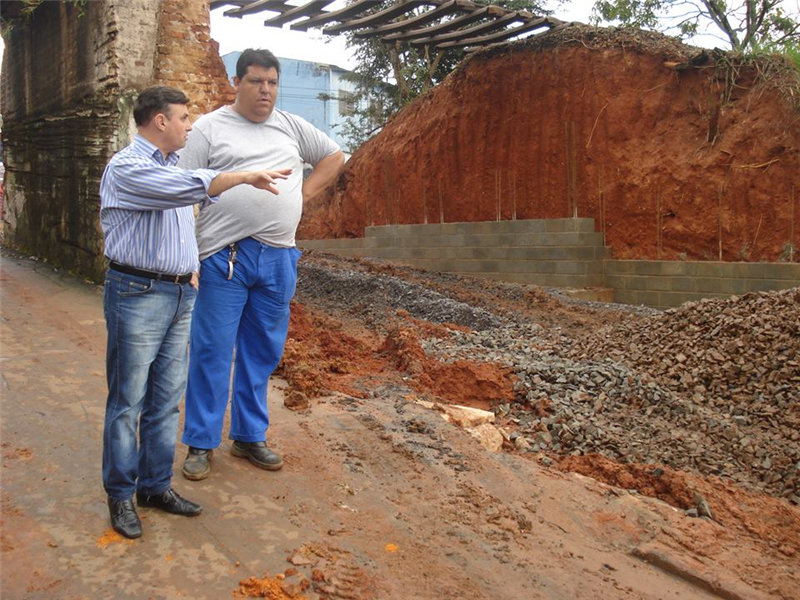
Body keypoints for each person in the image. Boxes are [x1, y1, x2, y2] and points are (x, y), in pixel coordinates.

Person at [100, 85, 291, 539]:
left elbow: (193, 205)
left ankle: (154, 486)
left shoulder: (168, 165)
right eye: (184, 117)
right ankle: (121, 495)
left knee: (166, 401)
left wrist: (190, 268)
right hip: (137, 293)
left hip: (179, 293)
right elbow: (189, 187)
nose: (190, 125)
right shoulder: (128, 167)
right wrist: (243, 175)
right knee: (128, 401)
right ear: (160, 121)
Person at [179, 49, 344, 481]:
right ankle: (200, 442)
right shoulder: (210, 128)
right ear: (238, 83)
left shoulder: (290, 126)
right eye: (255, 81)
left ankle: (250, 436)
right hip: (225, 257)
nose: (265, 90)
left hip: (279, 257)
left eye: (272, 82)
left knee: (262, 352)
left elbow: (334, 156)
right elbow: (181, 189)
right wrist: (188, 255)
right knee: (213, 350)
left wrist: (302, 197)